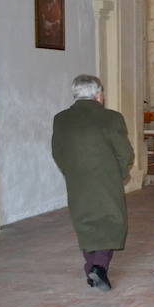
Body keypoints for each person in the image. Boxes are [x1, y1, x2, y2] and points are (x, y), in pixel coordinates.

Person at [52, 74, 134, 290]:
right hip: (107, 179)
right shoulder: (111, 118)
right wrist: (120, 173)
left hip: (77, 180)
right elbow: (124, 152)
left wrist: (70, 172)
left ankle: (91, 267)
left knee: (85, 220)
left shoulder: (61, 119)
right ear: (98, 94)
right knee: (111, 220)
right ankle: (99, 267)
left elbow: (57, 152)